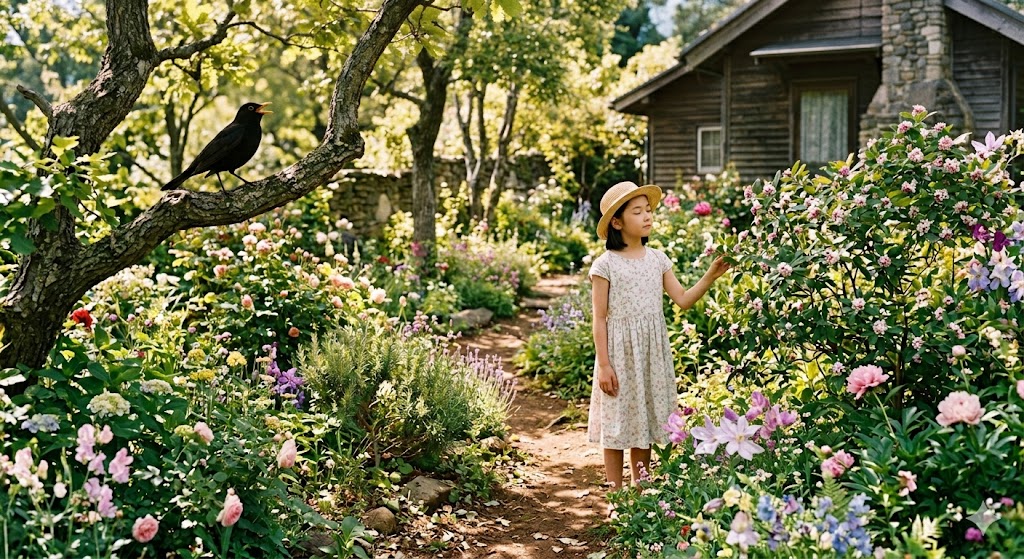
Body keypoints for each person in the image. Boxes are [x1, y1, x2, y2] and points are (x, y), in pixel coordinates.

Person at [588, 180, 731, 496]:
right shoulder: (605, 265)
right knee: (616, 423)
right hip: (619, 354)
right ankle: (615, 496)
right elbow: (599, 318)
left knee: (643, 424)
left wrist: (710, 275)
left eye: (648, 210)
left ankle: (642, 495)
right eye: (637, 212)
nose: (647, 216)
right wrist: (604, 365)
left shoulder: (658, 259)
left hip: (651, 353)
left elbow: (682, 299)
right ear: (617, 221)